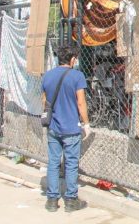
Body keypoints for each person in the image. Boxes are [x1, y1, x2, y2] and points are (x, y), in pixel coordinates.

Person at [41, 45, 90, 213]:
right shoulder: (77, 76)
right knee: (71, 164)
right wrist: (86, 123)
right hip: (71, 127)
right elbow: (81, 102)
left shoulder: (47, 76)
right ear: (72, 59)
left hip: (53, 126)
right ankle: (70, 200)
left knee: (53, 163)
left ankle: (52, 200)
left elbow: (44, 101)